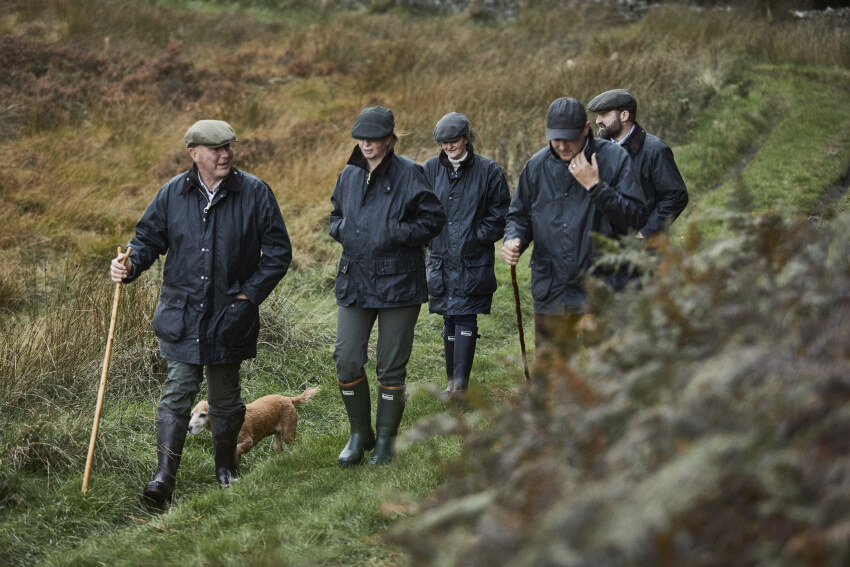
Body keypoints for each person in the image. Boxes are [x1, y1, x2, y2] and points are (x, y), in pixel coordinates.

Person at [109, 119, 292, 507]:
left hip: (230, 316)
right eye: (215, 149)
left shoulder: (255, 193)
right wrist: (129, 264)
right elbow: (146, 240)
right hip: (182, 315)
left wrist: (248, 297)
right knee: (177, 394)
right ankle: (163, 478)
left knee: (225, 398)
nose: (224, 154)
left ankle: (226, 468)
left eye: (229, 147)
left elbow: (278, 254)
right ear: (194, 154)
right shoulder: (173, 193)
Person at [330, 106, 446, 466]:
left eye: (373, 137)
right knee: (347, 359)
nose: (365, 143)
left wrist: (396, 233)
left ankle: (386, 443)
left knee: (390, 366)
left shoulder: (411, 173)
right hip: (355, 280)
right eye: (360, 137)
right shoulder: (349, 174)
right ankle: (359, 433)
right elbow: (336, 214)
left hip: (399, 282)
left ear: (390, 138)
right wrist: (342, 230)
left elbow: (434, 218)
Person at [500, 97, 647, 348]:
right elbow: (519, 216)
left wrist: (596, 187)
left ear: (586, 129)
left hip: (600, 290)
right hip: (551, 290)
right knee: (553, 375)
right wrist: (515, 239)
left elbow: (635, 218)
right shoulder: (536, 167)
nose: (562, 145)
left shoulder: (614, 159)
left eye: (570, 137)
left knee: (601, 376)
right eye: (556, 138)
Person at [423, 112, 510, 398]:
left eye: (453, 141)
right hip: (439, 257)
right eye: (443, 142)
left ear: (466, 138)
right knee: (449, 315)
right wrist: (428, 238)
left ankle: (460, 386)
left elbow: (500, 212)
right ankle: (452, 383)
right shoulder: (430, 170)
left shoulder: (489, 171)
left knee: (465, 314)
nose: (449, 146)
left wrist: (480, 236)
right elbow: (418, 208)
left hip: (472, 257)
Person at [587, 89, 688, 238]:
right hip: (605, 247)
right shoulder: (595, 151)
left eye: (604, 114)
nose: (597, 121)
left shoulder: (655, 150)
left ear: (624, 115)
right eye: (597, 115)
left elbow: (675, 196)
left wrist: (646, 232)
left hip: (643, 250)